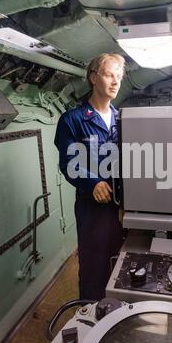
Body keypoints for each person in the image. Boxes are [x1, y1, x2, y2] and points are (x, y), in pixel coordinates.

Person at [54, 53, 125, 301]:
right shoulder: (72, 121)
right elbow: (69, 163)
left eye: (119, 76)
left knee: (124, 266)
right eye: (109, 75)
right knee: (94, 269)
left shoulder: (122, 119)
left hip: (124, 209)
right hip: (92, 209)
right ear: (93, 77)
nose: (115, 82)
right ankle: (90, 320)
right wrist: (93, 183)